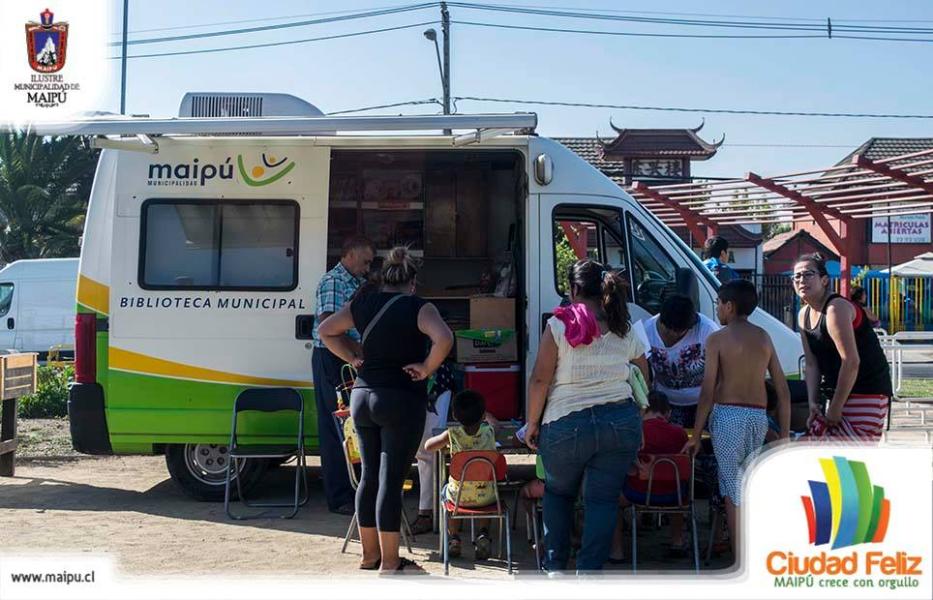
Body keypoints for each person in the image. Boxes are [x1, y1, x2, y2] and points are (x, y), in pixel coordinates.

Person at [319, 246, 454, 573]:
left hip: (362, 397)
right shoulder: (419, 307)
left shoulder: (363, 303)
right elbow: (445, 338)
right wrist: (425, 367)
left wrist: (352, 358)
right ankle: (391, 562)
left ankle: (369, 557)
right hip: (399, 399)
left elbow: (325, 330)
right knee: (391, 480)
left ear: (384, 280)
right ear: (412, 283)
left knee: (368, 478)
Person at [524, 260, 650, 573]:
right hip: (620, 422)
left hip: (566, 423)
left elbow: (540, 379)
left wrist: (532, 423)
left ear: (575, 289)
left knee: (558, 493)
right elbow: (643, 373)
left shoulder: (559, 325)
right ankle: (589, 574)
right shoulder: (623, 325)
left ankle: (555, 567)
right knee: (603, 501)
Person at [684, 279, 791, 556]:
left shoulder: (717, 339)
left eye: (719, 303)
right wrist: (786, 435)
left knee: (733, 490)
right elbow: (782, 389)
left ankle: (740, 555)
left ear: (729, 306)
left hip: (728, 415)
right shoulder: (764, 337)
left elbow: (707, 391)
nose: (717, 308)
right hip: (758, 417)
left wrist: (696, 435)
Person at [793, 253, 892, 441]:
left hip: (866, 392)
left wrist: (836, 407)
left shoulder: (836, 309)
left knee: (851, 462)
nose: (801, 280)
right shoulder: (803, 315)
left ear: (824, 280)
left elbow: (851, 361)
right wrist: (813, 402)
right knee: (821, 459)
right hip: (836, 394)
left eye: (808, 274)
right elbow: (812, 363)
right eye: (796, 276)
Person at [311, 235, 375, 515]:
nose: (367, 267)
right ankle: (339, 497)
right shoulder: (334, 281)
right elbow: (328, 328)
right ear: (349, 254)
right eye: (365, 261)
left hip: (349, 355)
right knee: (337, 425)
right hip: (333, 356)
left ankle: (355, 488)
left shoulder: (357, 283)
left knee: (353, 425)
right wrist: (355, 355)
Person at [609, 391, 690, 563]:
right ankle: (677, 540)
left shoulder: (634, 433)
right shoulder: (680, 433)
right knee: (679, 484)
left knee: (611, 498)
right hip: (674, 495)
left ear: (642, 410)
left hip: (637, 493)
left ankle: (616, 550)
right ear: (668, 412)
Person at [424, 390, 497, 561]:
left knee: (446, 494)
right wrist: (489, 417)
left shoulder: (452, 434)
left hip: (458, 498)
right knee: (486, 496)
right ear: (483, 415)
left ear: (455, 415)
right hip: (487, 496)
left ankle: (454, 537)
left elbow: (429, 446)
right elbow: (496, 425)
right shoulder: (489, 432)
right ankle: (483, 535)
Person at [638, 294, 720, 428]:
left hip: (704, 403)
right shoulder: (646, 331)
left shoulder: (707, 330)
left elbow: (720, 373)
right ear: (667, 327)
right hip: (667, 405)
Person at [409, 363, 454, 536]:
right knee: (427, 452)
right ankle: (430, 511)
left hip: (431, 380)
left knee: (428, 451)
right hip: (419, 379)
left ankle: (427, 512)